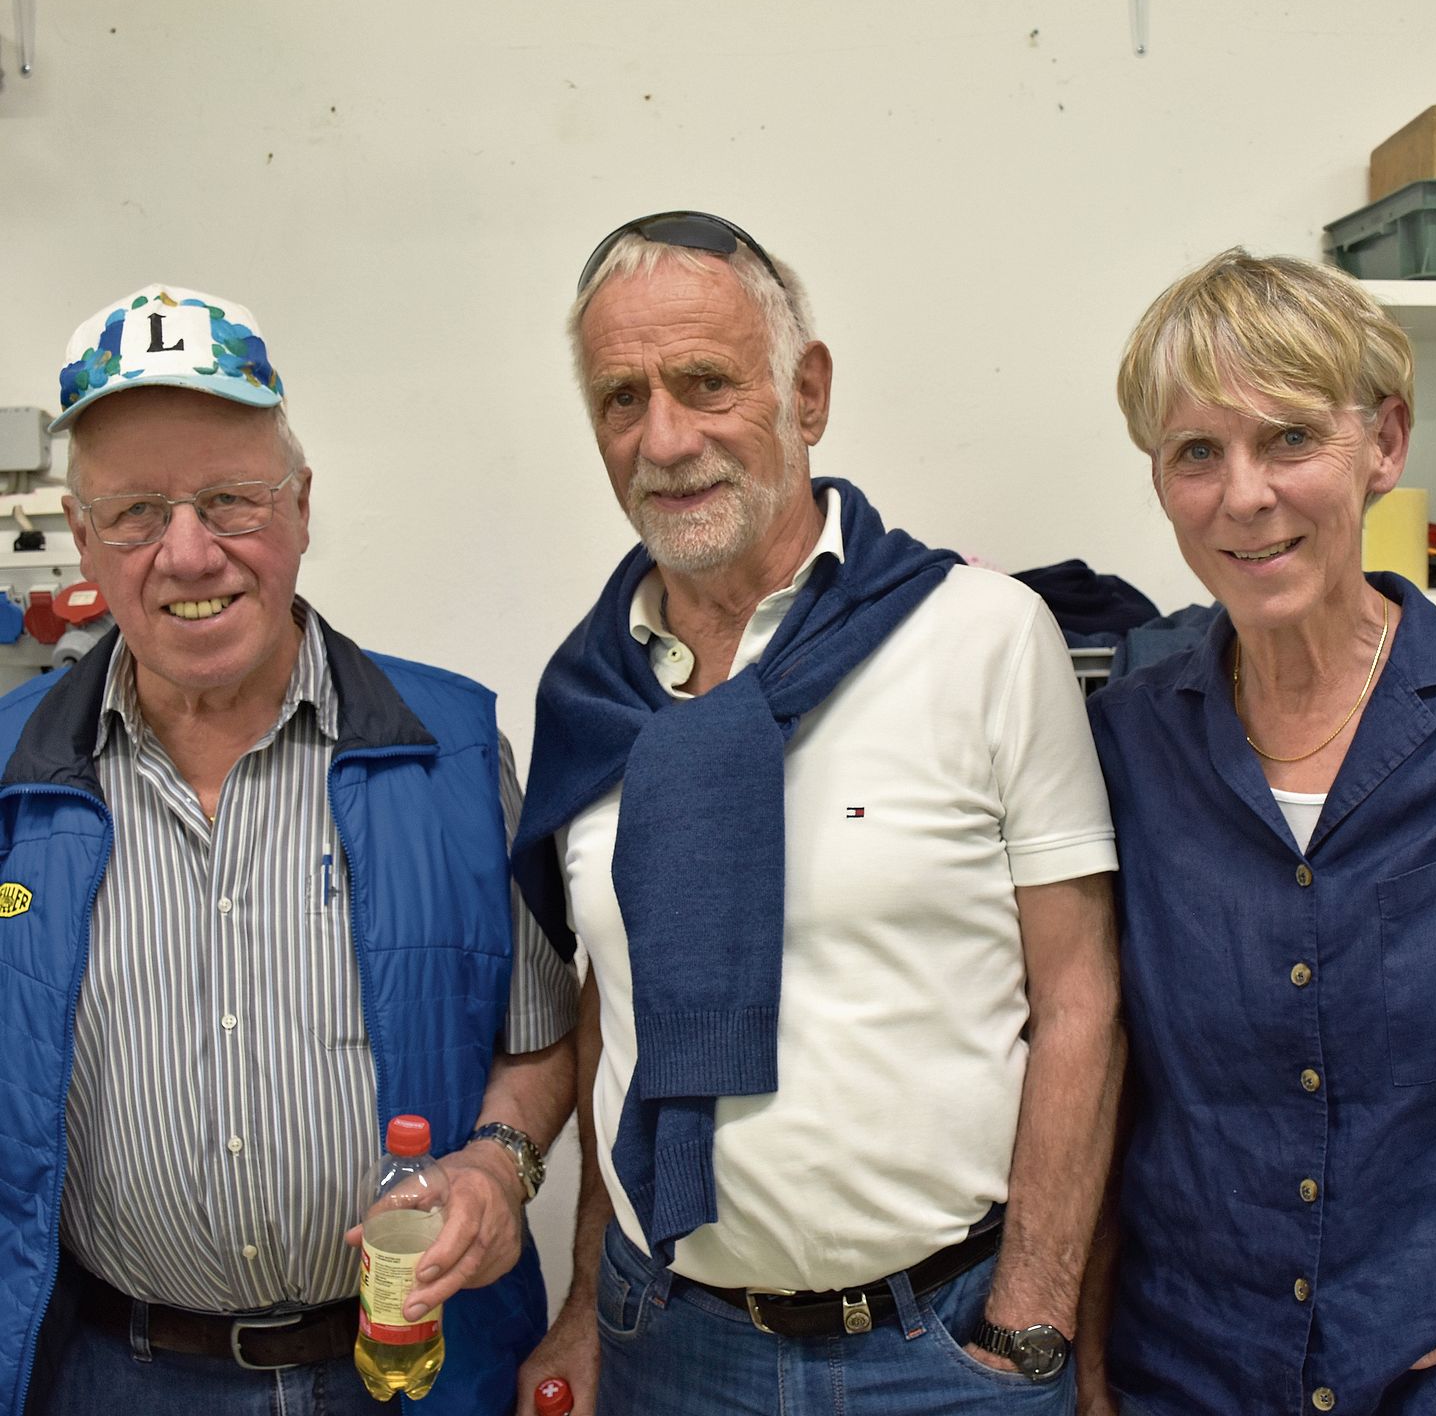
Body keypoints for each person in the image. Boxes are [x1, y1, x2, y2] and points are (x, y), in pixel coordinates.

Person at [508, 211, 1124, 1415]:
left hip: (942, 1347)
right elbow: (616, 1014)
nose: (665, 438)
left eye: (704, 383)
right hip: (666, 1342)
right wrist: (586, 1299)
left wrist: (1034, 1316)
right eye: (620, 399)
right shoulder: (592, 688)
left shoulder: (982, 636)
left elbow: (1082, 993)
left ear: (808, 391)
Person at [3, 285, 581, 1416]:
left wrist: (500, 1166)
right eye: (133, 513)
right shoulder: (11, 778)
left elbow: (545, 1035)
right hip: (115, 1375)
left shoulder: (453, 750)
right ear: (81, 538)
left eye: (231, 500)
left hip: (414, 1371)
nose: (187, 553)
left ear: (303, 508)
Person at [1088, 249, 1436, 1415]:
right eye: (1197, 451)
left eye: (1289, 439)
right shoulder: (1128, 738)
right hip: (1186, 1375)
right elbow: (1098, 1068)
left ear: (1383, 443)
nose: (1243, 494)